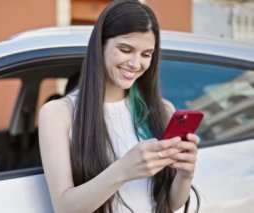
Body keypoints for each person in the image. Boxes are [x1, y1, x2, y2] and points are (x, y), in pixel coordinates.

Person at [38, 0, 200, 212]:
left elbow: (169, 204)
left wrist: (185, 175)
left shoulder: (163, 110)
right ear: (100, 46)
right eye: (125, 49)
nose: (135, 64)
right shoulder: (59, 113)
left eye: (146, 54)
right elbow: (65, 207)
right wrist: (123, 169)